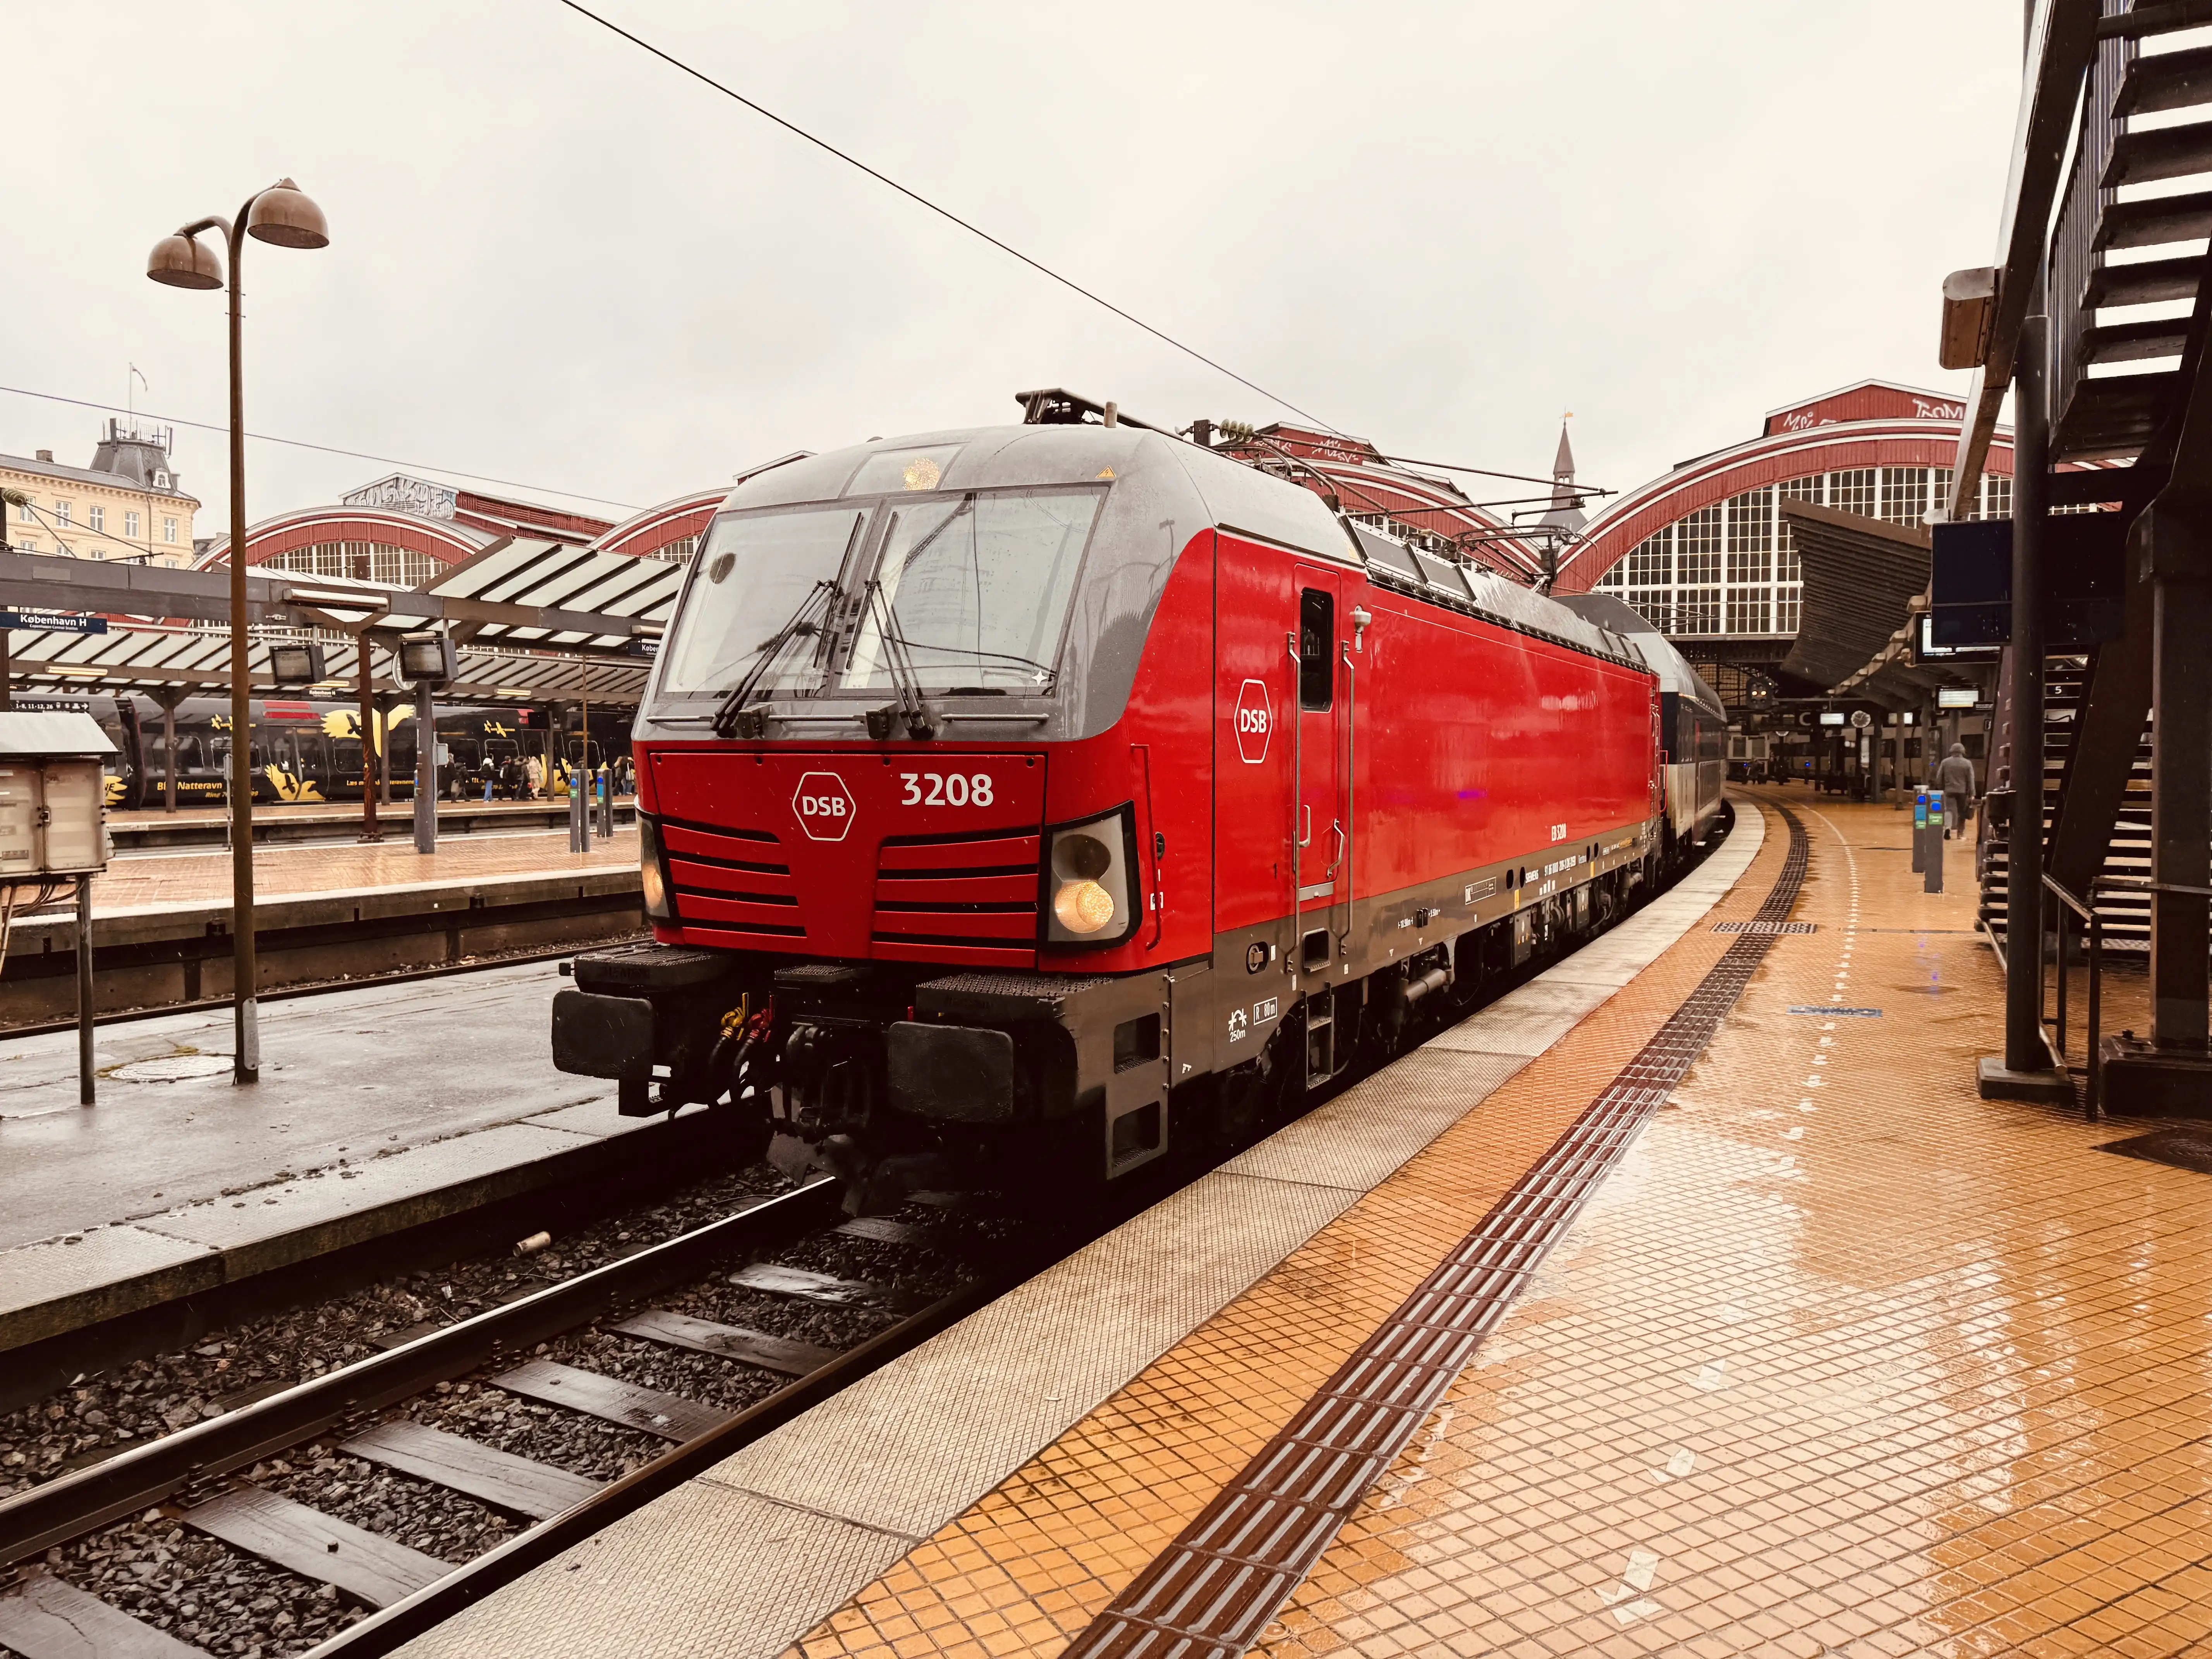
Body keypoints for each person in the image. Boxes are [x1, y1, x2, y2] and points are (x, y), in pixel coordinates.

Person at [1936, 741, 1977, 838]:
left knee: (1949, 810)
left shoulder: (1945, 762)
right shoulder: (1967, 763)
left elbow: (1939, 777)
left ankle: (1948, 829)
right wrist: (1972, 793)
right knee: (1962, 812)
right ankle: (1960, 834)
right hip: (1962, 792)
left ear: (1952, 751)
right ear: (1963, 751)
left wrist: (1942, 787)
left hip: (1949, 790)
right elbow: (1971, 779)